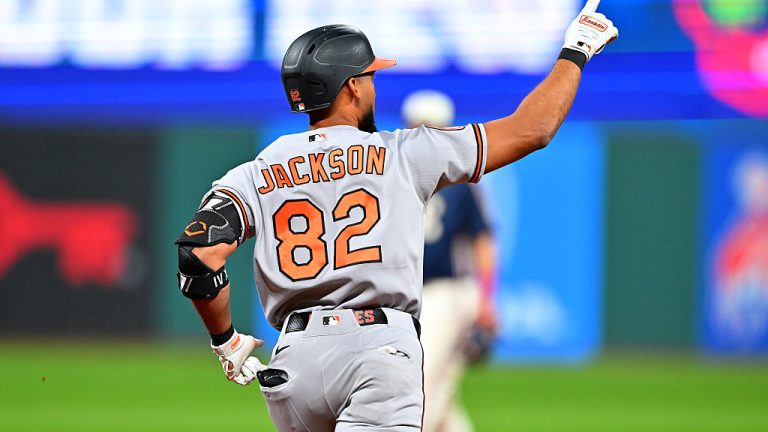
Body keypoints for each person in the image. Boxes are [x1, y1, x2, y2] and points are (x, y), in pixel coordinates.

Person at [174, 2, 618, 430]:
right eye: (369, 75)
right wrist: (574, 52)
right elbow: (531, 129)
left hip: (293, 363)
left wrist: (225, 340)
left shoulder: (256, 171)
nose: (373, 84)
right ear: (349, 86)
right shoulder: (404, 153)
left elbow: (198, 255)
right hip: (377, 352)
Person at [402, 90, 496, 432]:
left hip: (444, 294)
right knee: (441, 402)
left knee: (418, 394)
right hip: (410, 300)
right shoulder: (398, 175)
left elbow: (482, 242)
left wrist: (486, 297)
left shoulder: (458, 179)